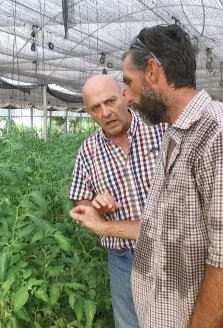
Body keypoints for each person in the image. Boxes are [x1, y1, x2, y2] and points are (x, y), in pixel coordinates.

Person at [71, 24, 223, 327]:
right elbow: (165, 229)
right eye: (95, 107)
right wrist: (100, 222)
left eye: (128, 84)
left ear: (153, 71)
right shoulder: (179, 136)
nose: (127, 97)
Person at [69, 74, 166, 328]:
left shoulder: (161, 131)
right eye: (95, 108)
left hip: (170, 250)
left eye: (110, 102)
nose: (105, 113)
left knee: (177, 318)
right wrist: (95, 207)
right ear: (88, 112)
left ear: (125, 96)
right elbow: (81, 205)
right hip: (122, 257)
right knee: (129, 322)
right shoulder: (88, 152)